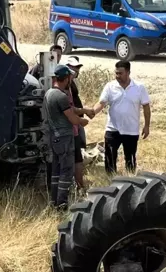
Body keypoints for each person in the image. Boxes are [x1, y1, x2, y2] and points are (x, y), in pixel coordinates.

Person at [92, 60, 151, 174]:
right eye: (116, 73)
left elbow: (146, 107)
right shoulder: (110, 86)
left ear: (128, 72)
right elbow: (101, 103)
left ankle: (131, 182)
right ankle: (110, 183)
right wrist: (91, 113)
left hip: (131, 130)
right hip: (112, 129)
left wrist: (147, 126)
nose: (117, 76)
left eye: (120, 73)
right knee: (109, 161)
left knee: (130, 160)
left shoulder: (139, 87)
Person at [42, 64, 89, 208]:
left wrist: (84, 109)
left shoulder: (49, 93)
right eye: (70, 77)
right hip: (64, 138)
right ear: (66, 78)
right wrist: (82, 121)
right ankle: (62, 203)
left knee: (56, 171)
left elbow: (69, 108)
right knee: (67, 171)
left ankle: (54, 201)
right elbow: (72, 118)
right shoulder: (61, 96)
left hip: (54, 138)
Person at [65, 56, 94, 189]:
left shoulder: (71, 85)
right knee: (74, 157)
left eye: (77, 68)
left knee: (77, 155)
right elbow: (69, 109)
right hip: (70, 127)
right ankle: (76, 185)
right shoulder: (63, 89)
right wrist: (80, 119)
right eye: (74, 68)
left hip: (75, 126)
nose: (76, 71)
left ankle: (78, 184)